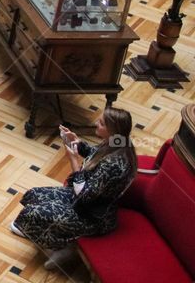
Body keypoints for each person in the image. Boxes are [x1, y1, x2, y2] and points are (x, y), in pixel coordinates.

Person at [12, 108, 138, 270]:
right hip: (83, 201)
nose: (95, 124)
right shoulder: (120, 141)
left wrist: (74, 162)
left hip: (92, 216)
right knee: (33, 195)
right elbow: (96, 155)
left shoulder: (114, 165)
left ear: (112, 130)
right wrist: (78, 144)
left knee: (32, 214)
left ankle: (66, 247)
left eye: (101, 123)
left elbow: (84, 195)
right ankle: (59, 242)